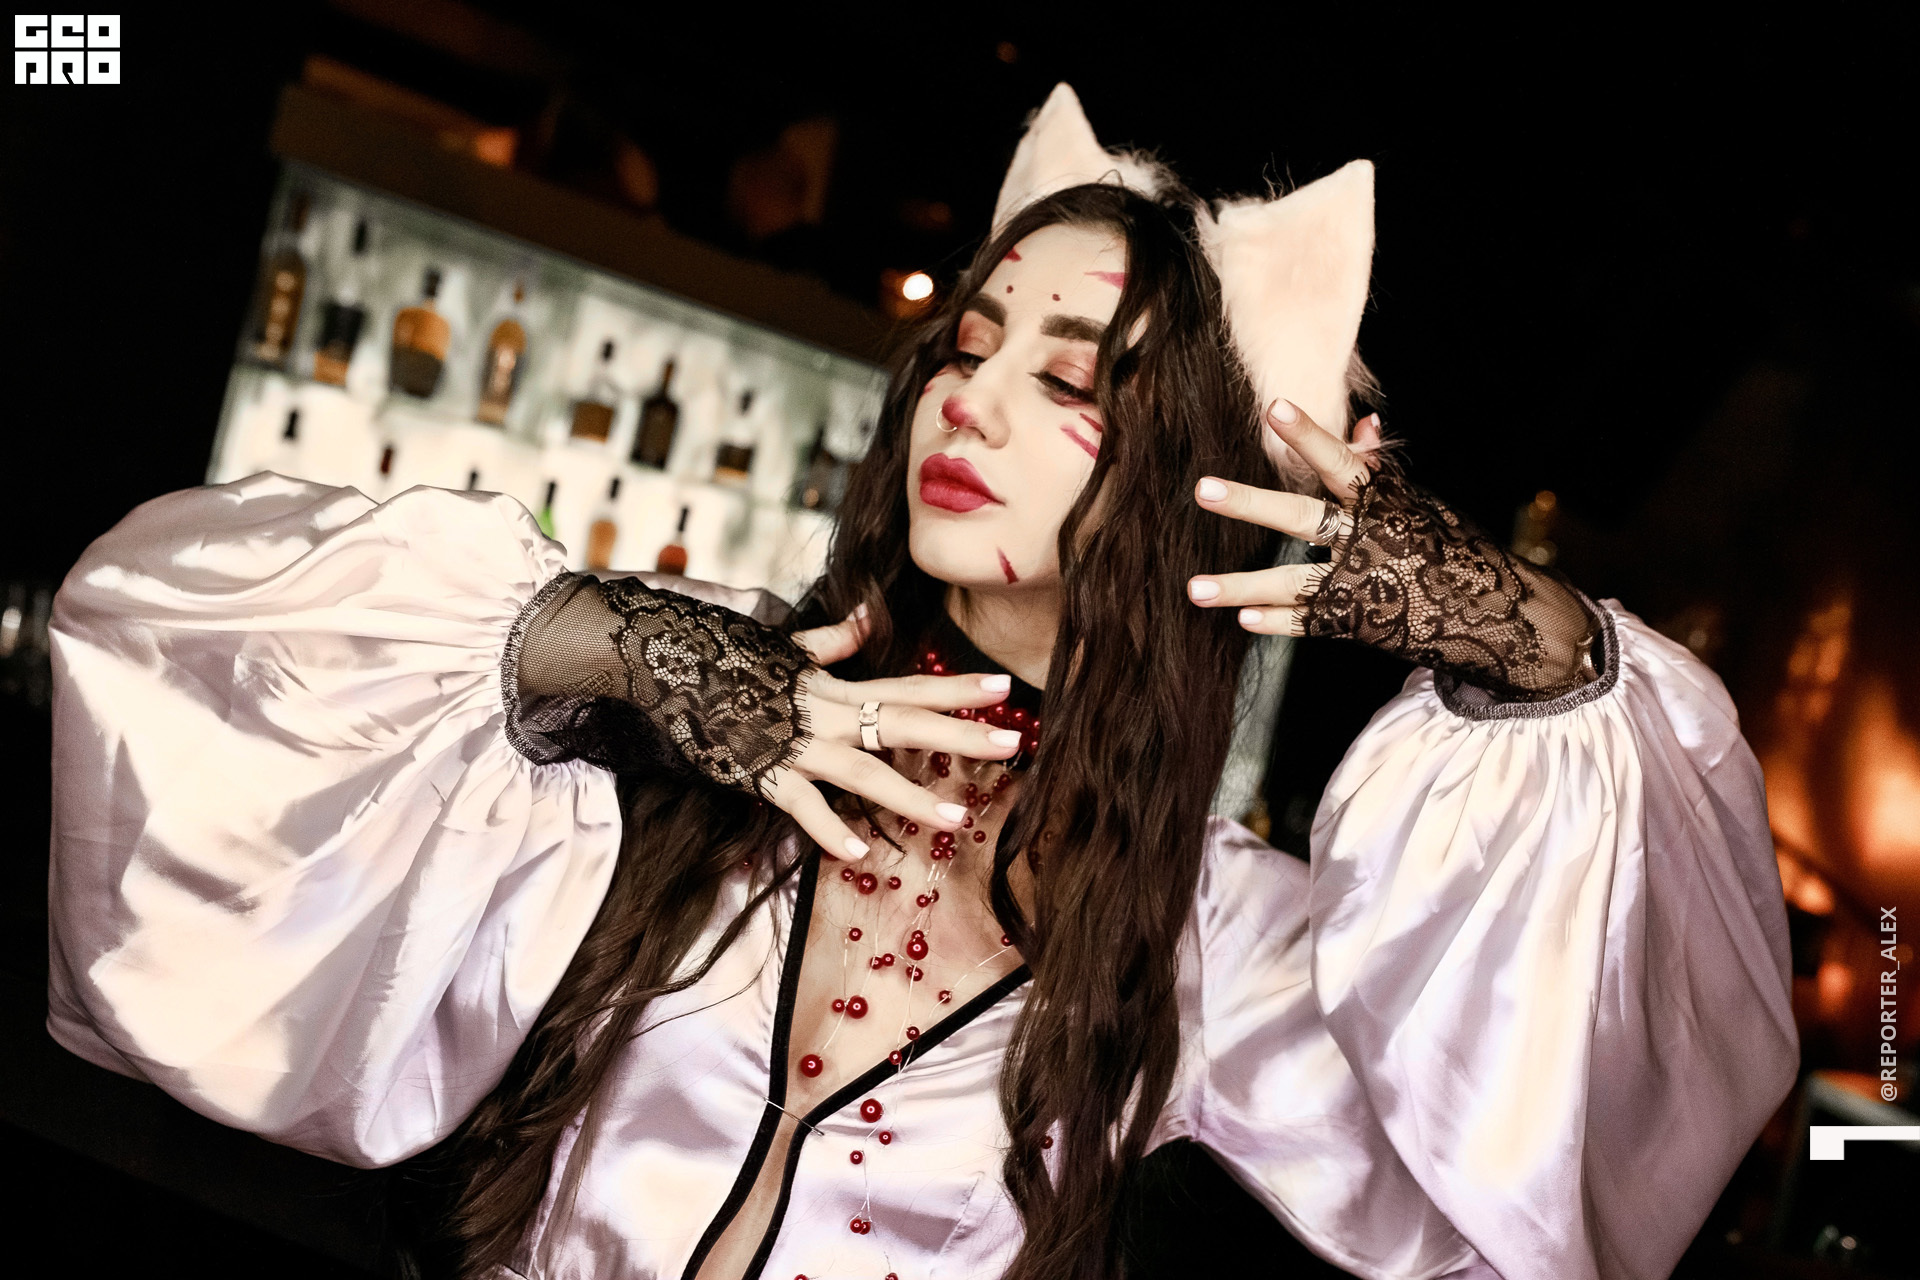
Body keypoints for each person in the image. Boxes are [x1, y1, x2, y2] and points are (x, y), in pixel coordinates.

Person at [46, 87, 1796, 1280]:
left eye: (1071, 380)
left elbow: (1590, 1151)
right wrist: (631, 650)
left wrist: (1508, 628)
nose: (972, 396)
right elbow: (152, 631)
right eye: (969, 343)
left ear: (1191, 475)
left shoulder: (1209, 939)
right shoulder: (724, 694)